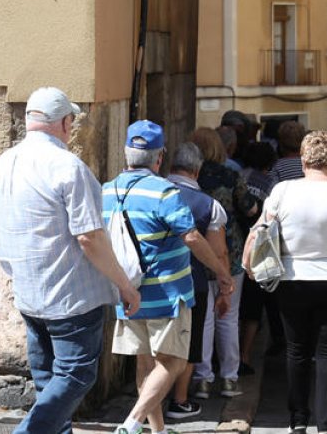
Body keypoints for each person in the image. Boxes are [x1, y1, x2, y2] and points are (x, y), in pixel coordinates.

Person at [0, 87, 142, 434]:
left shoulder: (2, 164)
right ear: (65, 123)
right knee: (75, 376)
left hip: (29, 294)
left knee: (48, 385)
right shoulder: (68, 167)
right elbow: (90, 237)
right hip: (72, 298)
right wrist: (125, 285)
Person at [107, 121, 235, 434]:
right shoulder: (164, 191)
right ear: (159, 157)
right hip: (168, 293)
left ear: (127, 154)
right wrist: (221, 273)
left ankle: (158, 430)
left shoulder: (107, 189)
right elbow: (191, 236)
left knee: (145, 363)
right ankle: (132, 422)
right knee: (174, 361)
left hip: (128, 290)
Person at [243, 131, 327, 434]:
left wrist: (248, 262)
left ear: (303, 160)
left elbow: (260, 230)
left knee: (297, 351)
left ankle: (298, 421)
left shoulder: (283, 191)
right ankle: (326, 425)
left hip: (293, 279)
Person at [164, 141, 230, 419]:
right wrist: (225, 284)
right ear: (197, 169)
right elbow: (219, 251)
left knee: (153, 344)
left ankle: (151, 400)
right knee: (188, 343)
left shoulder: (153, 191)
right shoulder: (209, 205)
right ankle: (179, 400)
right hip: (192, 283)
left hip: (150, 281)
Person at [187, 128, 254, 401]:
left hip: (197, 254)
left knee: (203, 319)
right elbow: (249, 208)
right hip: (232, 253)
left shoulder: (191, 178)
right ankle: (229, 379)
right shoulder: (231, 175)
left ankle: (202, 380)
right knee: (228, 318)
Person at [237, 141, 285, 373]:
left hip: (237, 245)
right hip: (261, 249)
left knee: (235, 306)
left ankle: (227, 354)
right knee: (254, 308)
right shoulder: (272, 184)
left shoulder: (239, 175)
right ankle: (244, 357)